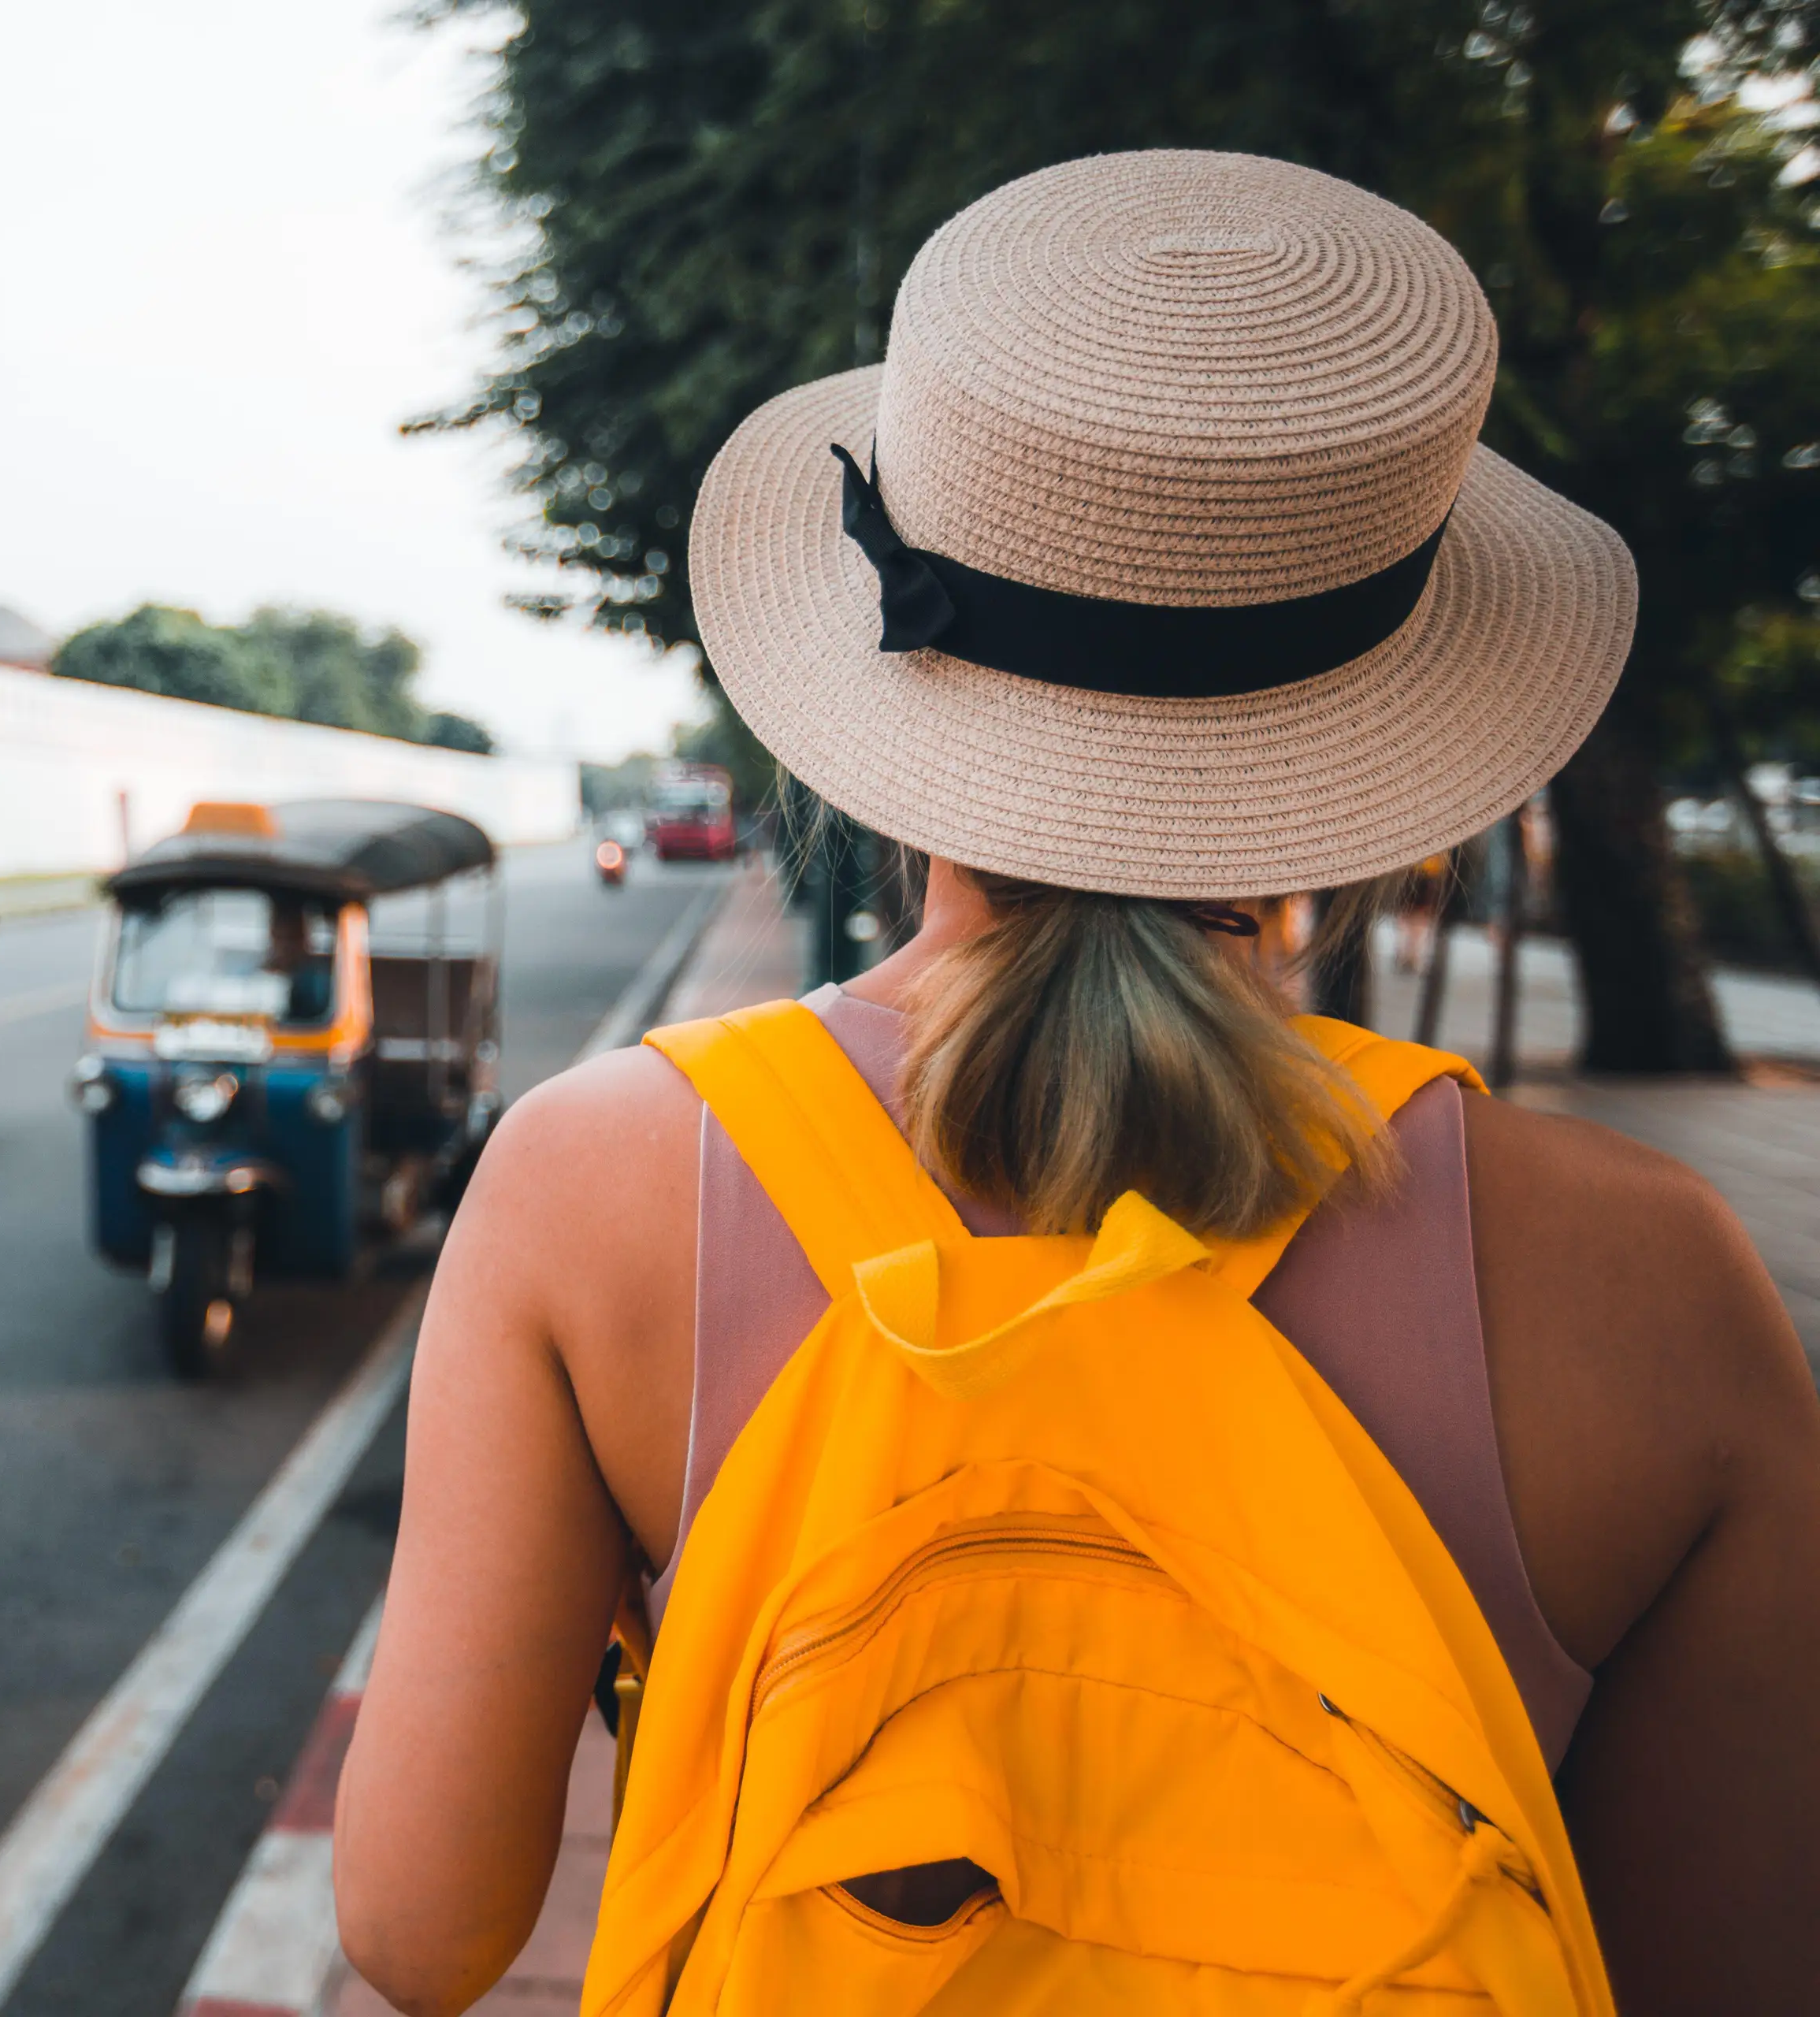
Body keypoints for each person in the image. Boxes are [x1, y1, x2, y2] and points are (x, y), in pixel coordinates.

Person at [334, 152, 1820, 2015]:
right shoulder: (1653, 1274)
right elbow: (1733, 1965)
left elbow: (416, 1924)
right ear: (1394, 720)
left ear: (876, 676)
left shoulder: (592, 1178)